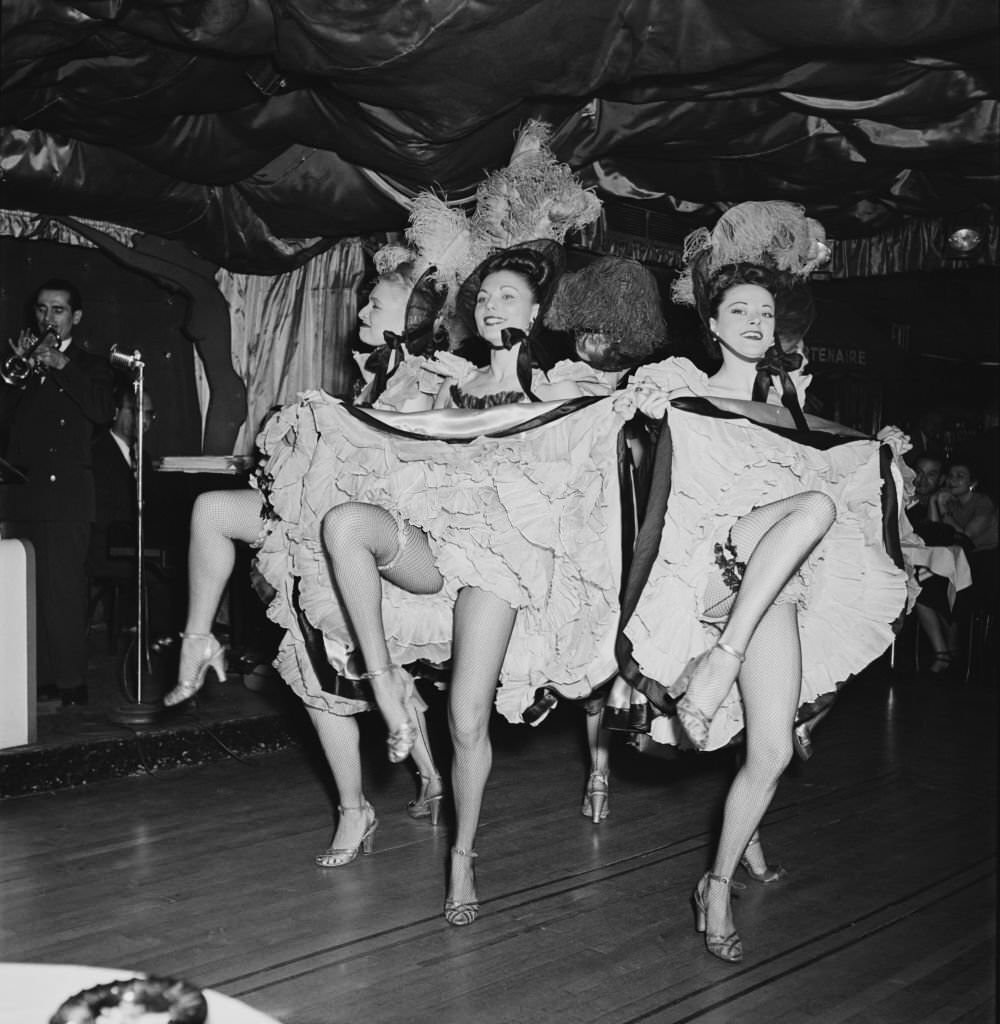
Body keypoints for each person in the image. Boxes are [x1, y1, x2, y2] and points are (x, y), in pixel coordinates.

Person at [244, 246, 667, 926]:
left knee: (466, 718)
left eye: (509, 294)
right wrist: (405, 391)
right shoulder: (450, 383)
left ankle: (463, 855)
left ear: (536, 311)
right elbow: (392, 442)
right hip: (437, 549)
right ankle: (382, 683)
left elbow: (611, 427)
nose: (494, 303)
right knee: (346, 523)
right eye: (487, 294)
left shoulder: (560, 385)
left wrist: (640, 399)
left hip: (500, 565)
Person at [613, 203, 908, 962]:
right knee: (806, 504)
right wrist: (639, 407)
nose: (753, 320)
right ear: (711, 324)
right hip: (708, 569)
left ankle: (713, 881)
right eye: (738, 309)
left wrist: (886, 456)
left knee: (772, 752)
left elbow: (849, 494)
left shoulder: (796, 417)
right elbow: (632, 425)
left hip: (768, 594)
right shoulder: (683, 382)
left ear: (779, 330)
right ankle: (718, 660)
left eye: (765, 312)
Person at [164, 255, 452, 865]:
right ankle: (197, 639)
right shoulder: (368, 382)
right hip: (334, 528)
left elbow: (411, 481)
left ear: (415, 320)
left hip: (406, 545)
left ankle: (363, 805)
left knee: (330, 671)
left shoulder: (432, 385)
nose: (363, 312)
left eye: (378, 304)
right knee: (212, 511)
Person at [0, 279, 114, 706]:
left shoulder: (93, 365)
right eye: (43, 310)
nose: (49, 318)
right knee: (24, 591)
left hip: (66, 495)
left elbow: (103, 411)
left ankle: (71, 684)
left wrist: (62, 367)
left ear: (76, 317)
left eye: (59, 310)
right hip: (22, 493)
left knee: (63, 590)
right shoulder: (21, 367)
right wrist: (12, 376)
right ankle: (40, 678)